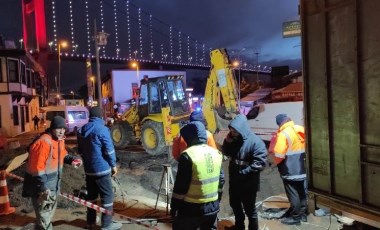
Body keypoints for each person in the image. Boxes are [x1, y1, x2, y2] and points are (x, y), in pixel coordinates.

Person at [22, 116, 83, 230]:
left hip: (53, 185)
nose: (62, 131)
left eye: (63, 128)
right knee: (44, 216)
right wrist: (43, 187)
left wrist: (71, 160)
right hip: (42, 188)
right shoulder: (44, 142)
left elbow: (62, 155)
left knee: (46, 215)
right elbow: (37, 168)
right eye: (58, 128)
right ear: (52, 129)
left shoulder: (59, 140)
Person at [170, 121, 224, 230]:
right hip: (212, 208)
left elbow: (180, 187)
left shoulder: (188, 155)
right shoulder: (216, 153)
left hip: (191, 209)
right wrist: (217, 201)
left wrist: (174, 207)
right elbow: (221, 180)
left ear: (190, 138)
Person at [77, 107, 122, 230]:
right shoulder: (102, 129)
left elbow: (80, 150)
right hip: (102, 170)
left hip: (89, 171)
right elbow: (109, 150)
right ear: (100, 116)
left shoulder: (82, 130)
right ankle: (107, 224)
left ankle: (90, 223)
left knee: (91, 197)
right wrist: (113, 165)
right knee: (107, 197)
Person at [222, 114, 267, 230]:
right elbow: (226, 152)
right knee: (235, 205)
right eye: (231, 130)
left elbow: (260, 163)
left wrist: (244, 172)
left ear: (242, 128)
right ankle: (239, 226)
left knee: (249, 209)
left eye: (234, 130)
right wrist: (227, 141)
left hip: (248, 183)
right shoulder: (235, 140)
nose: (232, 132)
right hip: (235, 180)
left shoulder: (256, 142)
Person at [271, 113, 307, 226]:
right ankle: (303, 214)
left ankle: (295, 217)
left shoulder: (283, 134)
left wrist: (274, 164)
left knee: (293, 193)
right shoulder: (301, 129)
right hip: (304, 168)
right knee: (303, 192)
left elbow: (278, 155)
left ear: (280, 123)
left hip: (290, 170)